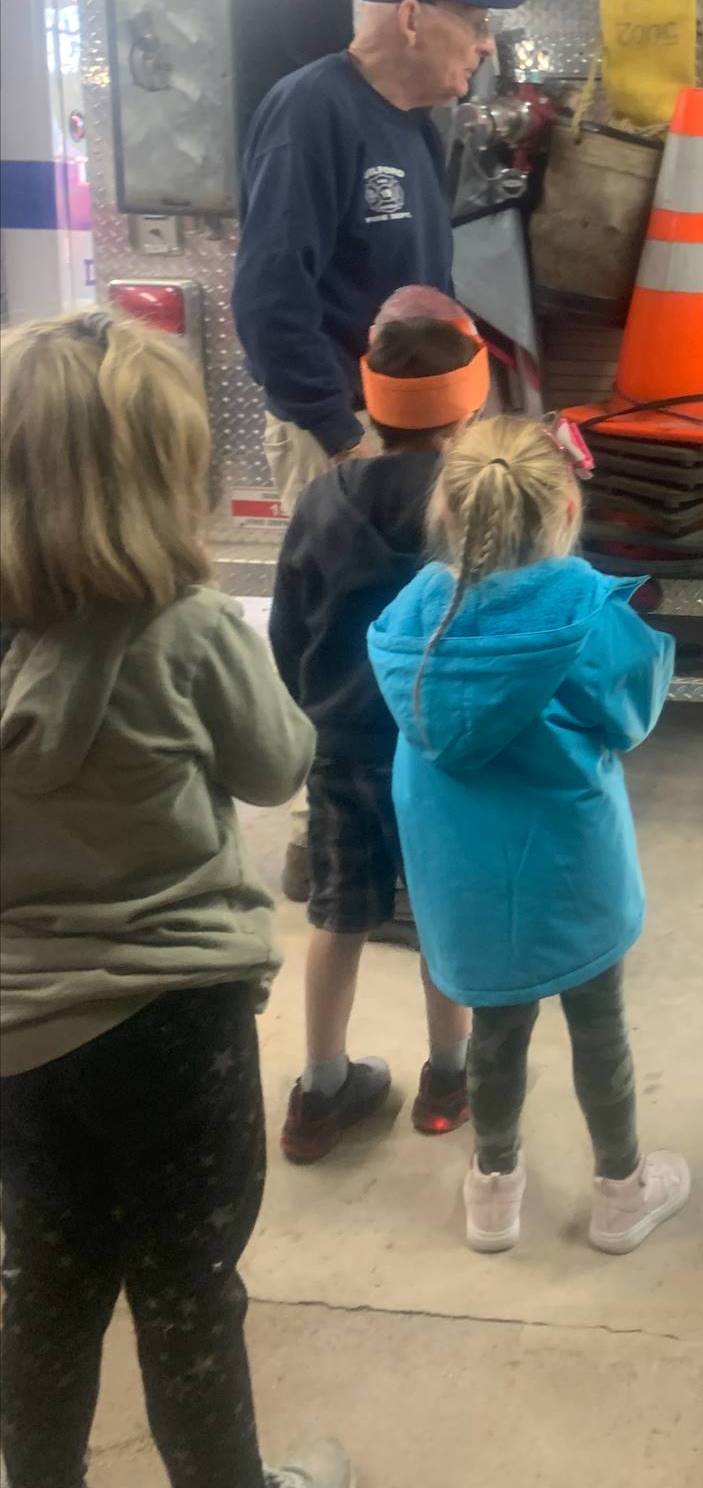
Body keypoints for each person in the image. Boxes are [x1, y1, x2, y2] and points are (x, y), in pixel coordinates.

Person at [0, 312, 349, 1488]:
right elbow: (276, 767)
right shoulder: (192, 629)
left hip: (17, 1030)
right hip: (174, 1020)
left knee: (45, 1285)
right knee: (188, 1288)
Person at [232, 0, 518, 902]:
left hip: (407, 438)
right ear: (409, 15)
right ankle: (333, 861)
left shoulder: (410, 127)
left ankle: (384, 857)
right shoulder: (312, 111)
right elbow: (270, 292)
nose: (484, 45)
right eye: (473, 22)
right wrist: (341, 434)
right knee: (345, 647)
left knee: (404, 646)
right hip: (346, 439)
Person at [367, 415, 688, 1256]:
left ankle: (494, 1191)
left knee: (496, 1035)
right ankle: (622, 1190)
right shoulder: (581, 606)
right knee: (600, 1029)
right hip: (573, 870)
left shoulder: (410, 617)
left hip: (463, 880)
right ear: (563, 509)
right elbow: (633, 709)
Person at [268, 290, 491, 1165]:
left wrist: (318, 707)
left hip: (342, 748)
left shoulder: (324, 501)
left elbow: (290, 631)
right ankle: (448, 1080)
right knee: (442, 916)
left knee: (337, 914)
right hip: (440, 755)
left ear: (371, 400)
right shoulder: (478, 503)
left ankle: (320, 1089)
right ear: (469, 401)